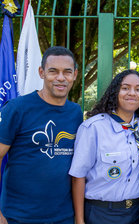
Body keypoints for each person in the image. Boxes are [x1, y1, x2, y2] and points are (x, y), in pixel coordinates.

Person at [0, 46, 83, 224]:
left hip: (63, 217)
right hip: (18, 217)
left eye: (67, 72)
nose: (61, 78)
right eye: (53, 71)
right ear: (41, 72)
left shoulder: (75, 112)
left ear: (75, 74)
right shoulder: (17, 108)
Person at [69, 70, 139, 224]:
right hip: (103, 213)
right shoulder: (93, 128)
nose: (132, 93)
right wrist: (79, 220)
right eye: (125, 88)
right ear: (115, 92)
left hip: (138, 212)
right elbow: (78, 176)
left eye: (138, 89)